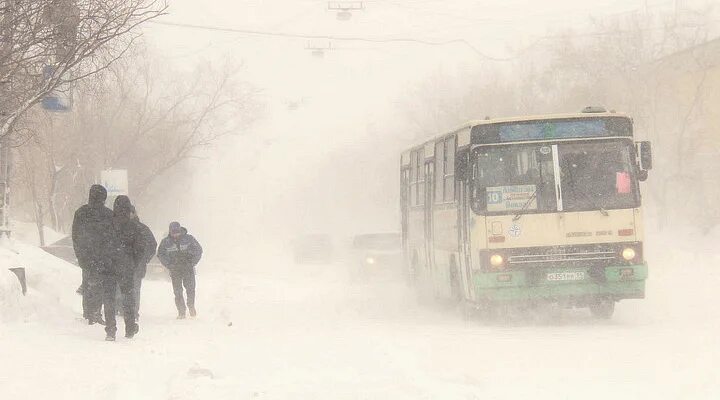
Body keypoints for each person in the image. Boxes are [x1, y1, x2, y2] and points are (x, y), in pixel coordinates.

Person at [101, 195, 142, 341]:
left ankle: (110, 331)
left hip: (108, 266)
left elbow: (100, 245)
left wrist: (104, 260)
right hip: (126, 267)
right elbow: (139, 248)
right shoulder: (134, 226)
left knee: (109, 298)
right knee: (128, 298)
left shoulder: (107, 224)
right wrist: (133, 263)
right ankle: (130, 328)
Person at [71, 185, 114, 326]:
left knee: (88, 281)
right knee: (99, 284)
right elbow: (113, 236)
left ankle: (88, 311)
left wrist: (79, 253)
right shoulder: (108, 214)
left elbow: (75, 235)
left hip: (86, 254)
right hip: (102, 255)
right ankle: (95, 311)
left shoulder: (81, 212)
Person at [157, 222, 203, 319]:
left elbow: (198, 250)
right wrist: (169, 265)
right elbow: (160, 254)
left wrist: (192, 262)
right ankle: (181, 312)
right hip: (175, 270)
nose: (175, 234)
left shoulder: (189, 239)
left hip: (188, 269)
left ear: (180, 230)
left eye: (177, 232)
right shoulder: (166, 242)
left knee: (190, 289)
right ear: (170, 231)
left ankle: (191, 306)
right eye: (173, 232)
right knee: (177, 291)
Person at [130, 206, 157, 319]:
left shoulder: (143, 229)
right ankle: (121, 310)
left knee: (135, 288)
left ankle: (133, 312)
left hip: (137, 265)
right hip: (122, 265)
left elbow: (152, 245)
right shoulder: (118, 227)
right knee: (120, 289)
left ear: (134, 213)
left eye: (130, 212)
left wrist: (144, 259)